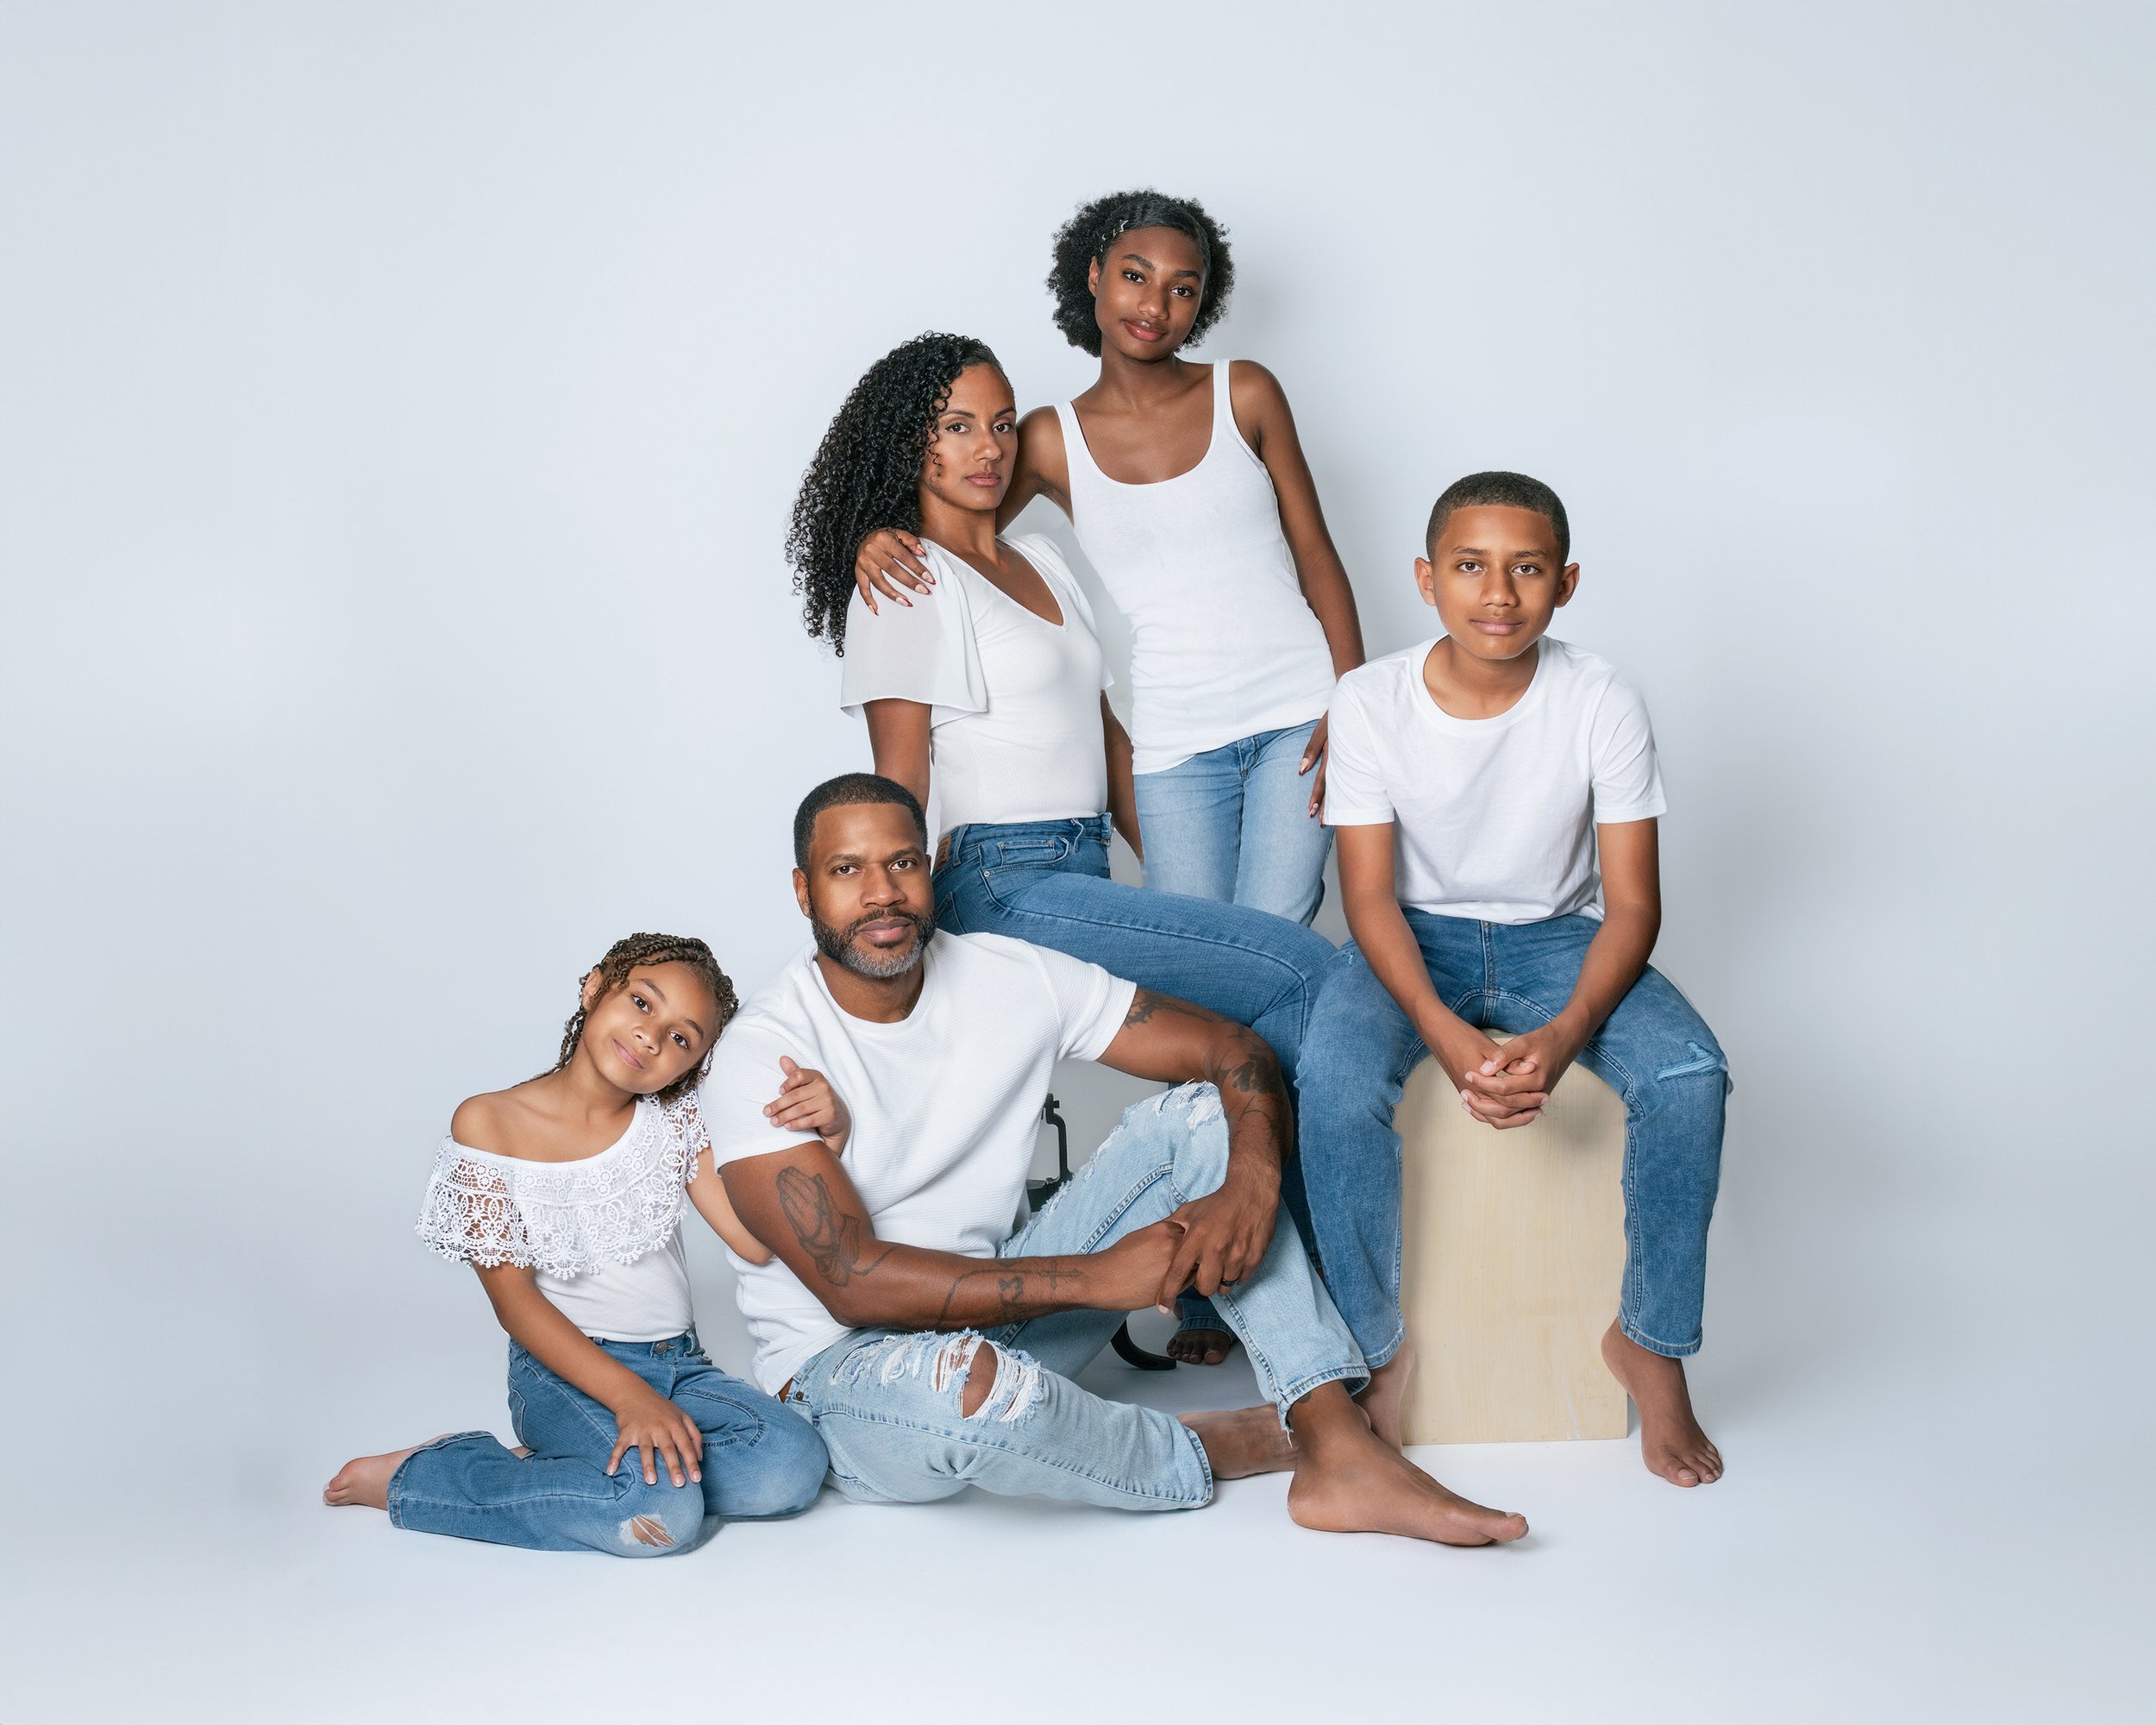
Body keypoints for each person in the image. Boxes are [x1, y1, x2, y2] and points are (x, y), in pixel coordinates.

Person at [695, 772, 1529, 1547]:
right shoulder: (763, 1052)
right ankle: (1215, 1444)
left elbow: (1227, 1047)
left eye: (902, 861)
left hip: (1001, 1306)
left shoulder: (1011, 975)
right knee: (971, 1392)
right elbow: (855, 1282)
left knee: (1204, 1120)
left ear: (929, 869)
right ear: (805, 892)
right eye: (848, 869)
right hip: (848, 1374)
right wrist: (1101, 1281)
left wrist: (1249, 1182)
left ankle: (1332, 1437)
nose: (882, 893)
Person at [788, 329, 1341, 1365]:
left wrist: (1173, 892)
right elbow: (898, 782)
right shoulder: (904, 581)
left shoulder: (1039, 554)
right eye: (955, 428)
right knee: (1304, 972)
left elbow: (1108, 738)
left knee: (1237, 1008)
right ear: (909, 444)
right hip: (995, 880)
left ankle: (1222, 1297)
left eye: (1001, 424)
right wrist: (882, 953)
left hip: (1081, 866)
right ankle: (1343, 1301)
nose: (987, 449)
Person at [1295, 474, 1729, 1484]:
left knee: (1689, 1076)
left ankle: (1652, 1347)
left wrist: (1566, 1031)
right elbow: (1365, 898)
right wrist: (1447, 1036)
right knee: (1333, 1080)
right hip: (1411, 936)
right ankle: (1375, 1354)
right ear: (1425, 578)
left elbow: (1633, 906)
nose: (1499, 592)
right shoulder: (1369, 699)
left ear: (1565, 583)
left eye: (1526, 568)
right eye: (1470, 566)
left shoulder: (1601, 697)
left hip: (1557, 937)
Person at [843, 190, 1365, 928]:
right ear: (1093, 275)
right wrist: (869, 534)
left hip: (1297, 710)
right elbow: (959, 514)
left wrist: (1354, 698)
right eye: (1135, 275)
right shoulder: (1051, 440)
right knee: (1198, 956)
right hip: (1172, 737)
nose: (1155, 304)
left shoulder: (1245, 392)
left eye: (1183, 288)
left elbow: (1316, 551)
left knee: (1275, 929)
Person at [323, 934, 831, 1553]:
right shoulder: (487, 1123)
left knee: (792, 1464)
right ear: (595, 987)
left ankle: (578, 1465)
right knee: (662, 1515)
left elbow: (755, 1244)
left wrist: (829, 1138)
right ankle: (424, 1477)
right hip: (564, 1376)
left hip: (680, 1365)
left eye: (681, 1038)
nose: (652, 1036)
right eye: (643, 1003)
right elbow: (514, 1302)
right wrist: (629, 1399)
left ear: (690, 1065)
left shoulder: (674, 1121)